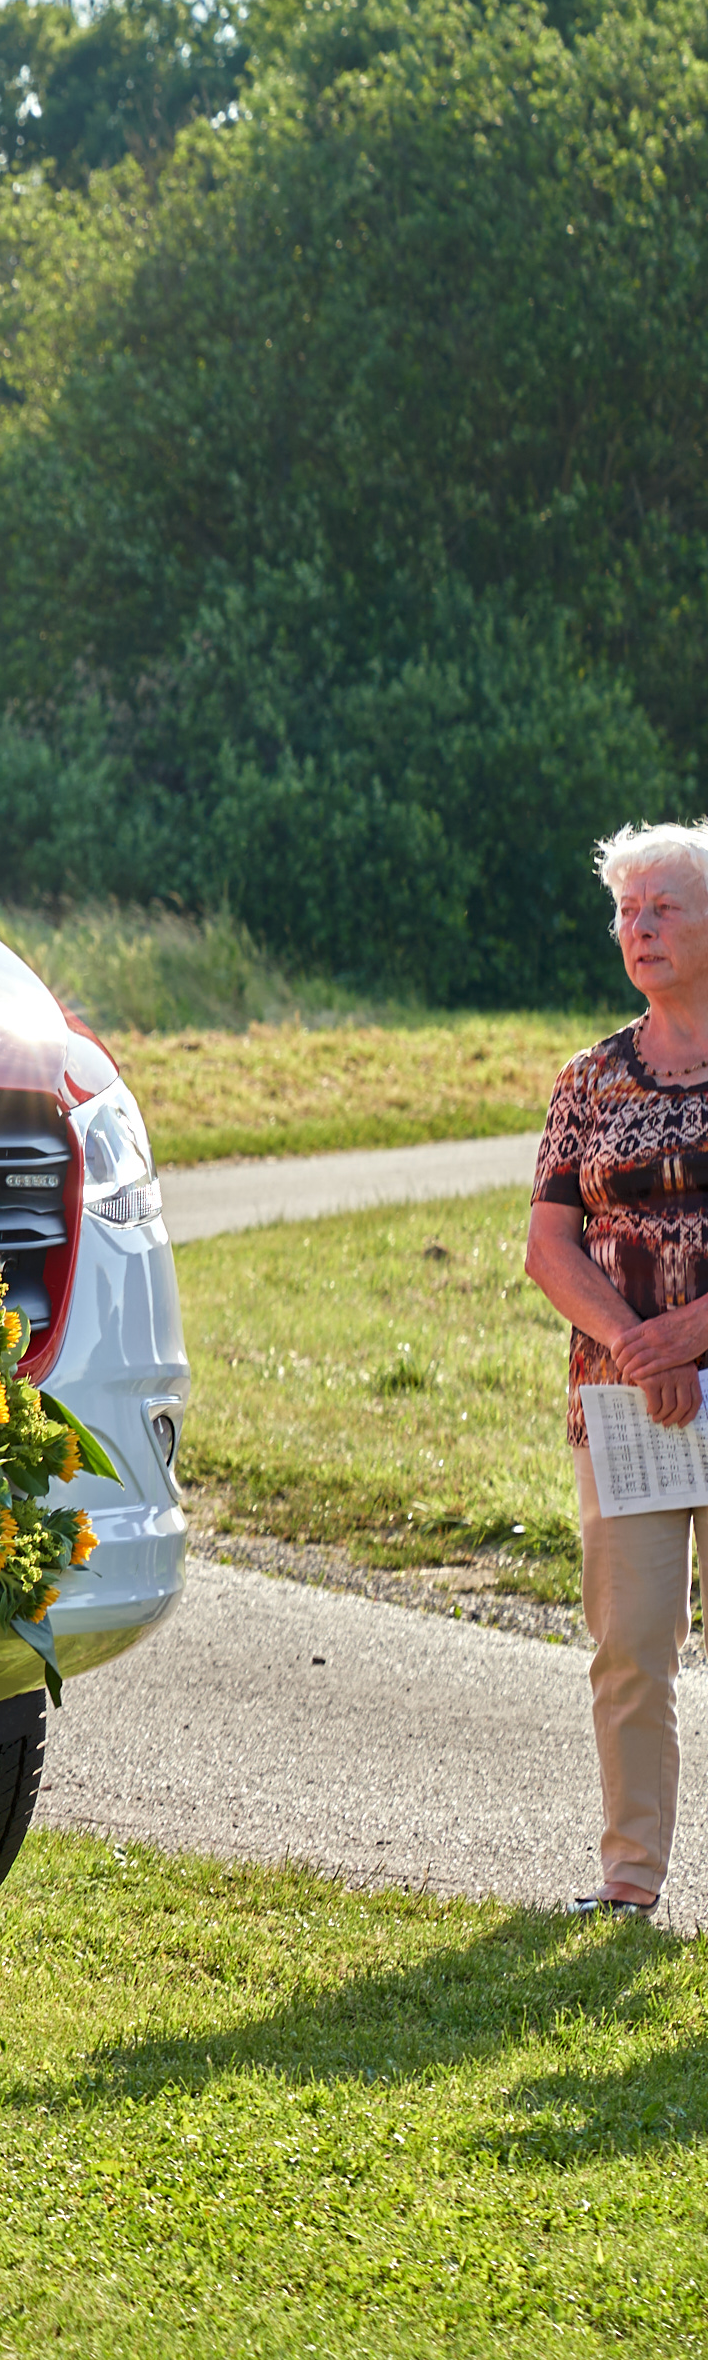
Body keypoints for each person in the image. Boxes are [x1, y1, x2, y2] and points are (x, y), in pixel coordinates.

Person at [526, 820, 708, 1923]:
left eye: (663, 908)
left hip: (680, 1368)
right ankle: (631, 1880)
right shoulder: (587, 1077)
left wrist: (689, 1332)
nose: (639, 928)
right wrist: (640, 1345)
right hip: (626, 1405)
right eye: (626, 912)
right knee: (631, 1644)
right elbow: (548, 1246)